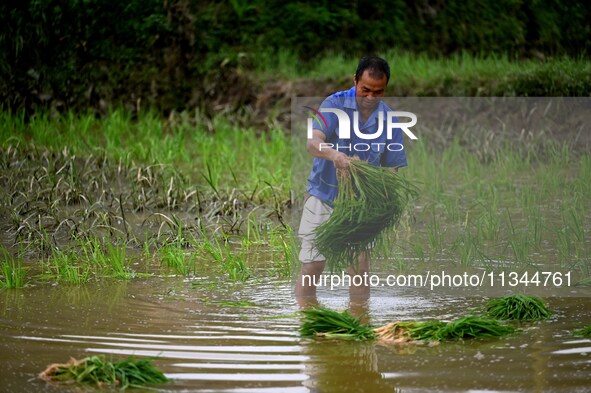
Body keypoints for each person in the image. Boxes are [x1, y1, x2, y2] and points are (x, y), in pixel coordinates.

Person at [295, 56, 408, 304]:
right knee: (313, 265)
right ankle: (306, 320)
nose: (370, 98)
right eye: (365, 90)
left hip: (360, 206)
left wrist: (378, 183)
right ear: (355, 80)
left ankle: (359, 322)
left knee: (359, 270)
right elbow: (313, 142)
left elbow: (392, 168)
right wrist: (336, 156)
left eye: (378, 92)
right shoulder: (334, 105)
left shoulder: (388, 119)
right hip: (323, 196)